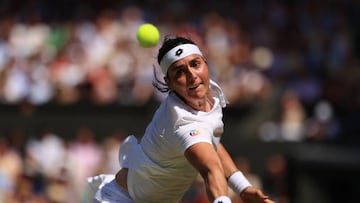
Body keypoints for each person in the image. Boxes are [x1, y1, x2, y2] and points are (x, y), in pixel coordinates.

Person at [88, 36, 274, 203]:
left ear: (205, 63)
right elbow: (211, 170)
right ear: (169, 83)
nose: (192, 75)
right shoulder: (182, 123)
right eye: (179, 72)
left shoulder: (210, 93)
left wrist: (242, 188)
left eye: (195, 64)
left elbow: (212, 144)